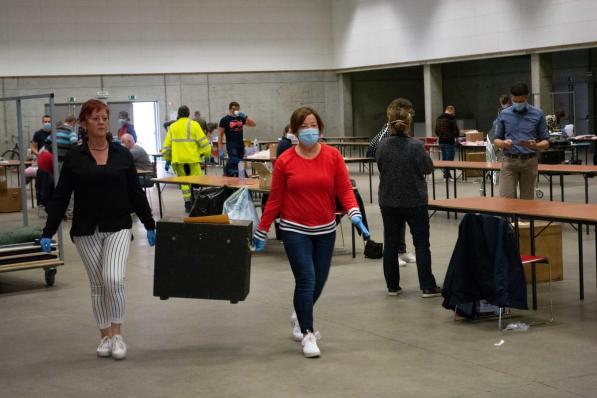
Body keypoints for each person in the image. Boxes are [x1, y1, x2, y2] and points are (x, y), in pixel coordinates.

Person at [39, 99, 156, 360]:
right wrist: (49, 230)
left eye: (104, 117)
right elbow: (61, 195)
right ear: (84, 124)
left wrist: (149, 224)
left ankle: (118, 335)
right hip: (85, 230)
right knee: (98, 285)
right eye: (95, 118)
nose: (102, 122)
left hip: (117, 227)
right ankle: (104, 337)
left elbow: (135, 193)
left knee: (113, 279)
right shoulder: (75, 158)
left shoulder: (121, 154)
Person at [252, 107, 368, 358]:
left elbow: (345, 190)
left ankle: (299, 313)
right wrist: (262, 229)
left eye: (313, 124)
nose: (309, 130)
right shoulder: (285, 161)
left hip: (326, 229)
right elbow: (275, 199)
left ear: (321, 128)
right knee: (306, 278)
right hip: (294, 229)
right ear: (294, 131)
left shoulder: (332, 156)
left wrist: (354, 213)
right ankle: (308, 333)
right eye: (303, 126)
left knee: (319, 279)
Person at [376, 99, 441, 298]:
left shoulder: (382, 146)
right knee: (421, 243)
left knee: (391, 242)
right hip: (415, 200)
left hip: (389, 200)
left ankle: (393, 286)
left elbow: (381, 167)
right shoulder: (416, 146)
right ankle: (427, 286)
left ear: (389, 124)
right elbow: (428, 168)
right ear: (408, 124)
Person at [366, 98, 417, 267]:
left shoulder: (404, 133)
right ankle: (393, 252)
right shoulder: (387, 131)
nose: (410, 114)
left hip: (405, 184)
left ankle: (402, 250)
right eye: (408, 111)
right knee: (393, 224)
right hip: (390, 184)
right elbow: (372, 149)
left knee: (401, 221)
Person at [494, 82, 550, 199]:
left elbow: (546, 142)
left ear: (526, 97)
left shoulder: (538, 114)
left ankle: (524, 218)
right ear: (511, 98)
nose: (517, 104)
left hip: (529, 162)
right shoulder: (504, 114)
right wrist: (503, 143)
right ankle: (508, 218)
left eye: (520, 101)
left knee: (527, 201)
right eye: (515, 101)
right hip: (509, 161)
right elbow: (496, 140)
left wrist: (535, 145)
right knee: (506, 199)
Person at [162, 105, 212, 212]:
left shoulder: (173, 127)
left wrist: (168, 158)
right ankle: (197, 203)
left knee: (184, 183)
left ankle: (188, 204)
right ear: (189, 114)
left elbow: (166, 147)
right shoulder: (194, 125)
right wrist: (206, 154)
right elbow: (204, 142)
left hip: (178, 160)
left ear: (178, 114)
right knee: (197, 181)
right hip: (193, 159)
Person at [217, 101, 256, 176]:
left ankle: (230, 175)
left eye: (237, 109)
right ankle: (243, 177)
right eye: (233, 109)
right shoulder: (224, 120)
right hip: (231, 144)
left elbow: (253, 124)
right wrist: (220, 149)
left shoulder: (241, 118)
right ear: (230, 109)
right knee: (236, 162)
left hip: (240, 144)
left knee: (238, 162)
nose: (235, 111)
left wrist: (245, 116)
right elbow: (220, 135)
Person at [435, 105, 460, 179]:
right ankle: (446, 173)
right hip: (449, 141)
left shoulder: (438, 118)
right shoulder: (452, 118)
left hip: (441, 141)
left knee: (444, 157)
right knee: (450, 159)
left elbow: (436, 131)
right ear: (452, 110)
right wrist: (456, 135)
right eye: (454, 112)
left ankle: (446, 173)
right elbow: (456, 131)